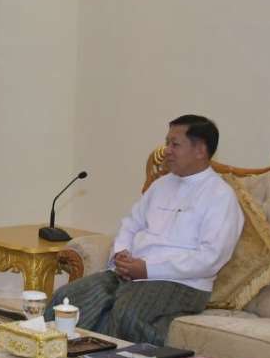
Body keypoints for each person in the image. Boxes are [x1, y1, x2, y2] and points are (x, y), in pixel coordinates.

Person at [48, 114, 244, 345]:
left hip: (182, 283)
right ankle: (50, 352)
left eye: (175, 144)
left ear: (200, 150)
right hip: (130, 273)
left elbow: (210, 258)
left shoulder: (220, 196)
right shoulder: (161, 185)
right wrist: (121, 253)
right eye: (167, 142)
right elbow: (131, 224)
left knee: (127, 312)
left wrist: (148, 269)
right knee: (67, 298)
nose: (167, 150)